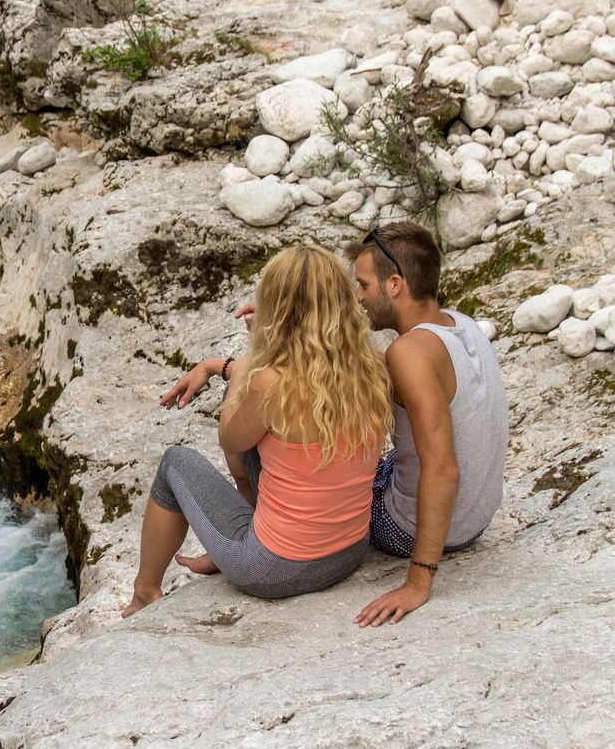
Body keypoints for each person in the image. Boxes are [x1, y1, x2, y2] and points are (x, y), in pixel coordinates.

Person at [161, 222, 510, 627]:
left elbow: (443, 468)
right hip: (476, 517)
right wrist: (295, 321)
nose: (358, 297)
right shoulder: (459, 325)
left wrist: (418, 582)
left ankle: (249, 539)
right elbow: (339, 364)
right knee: (315, 423)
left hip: (409, 529)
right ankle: (245, 537)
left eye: (363, 285)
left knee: (274, 416)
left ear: (395, 284)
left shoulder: (408, 354)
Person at [120, 245, 391, 617]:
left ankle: (145, 592)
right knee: (264, 444)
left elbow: (229, 436)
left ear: (275, 311)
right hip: (348, 552)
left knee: (174, 463)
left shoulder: (270, 381)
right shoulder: (372, 368)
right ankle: (226, 548)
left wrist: (247, 363)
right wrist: (220, 366)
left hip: (274, 569)